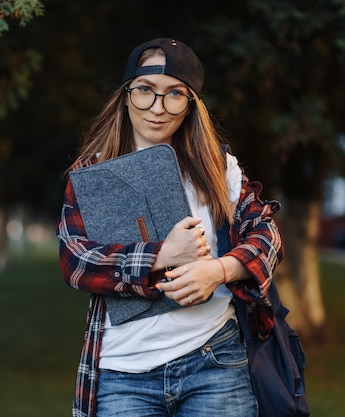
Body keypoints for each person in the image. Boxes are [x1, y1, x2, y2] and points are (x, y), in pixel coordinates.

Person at [57, 38, 283, 417]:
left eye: (174, 94)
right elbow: (75, 261)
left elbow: (267, 236)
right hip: (123, 373)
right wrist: (162, 255)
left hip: (213, 360)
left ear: (191, 104)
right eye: (145, 90)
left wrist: (218, 270)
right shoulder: (90, 173)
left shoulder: (217, 167)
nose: (158, 108)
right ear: (126, 95)